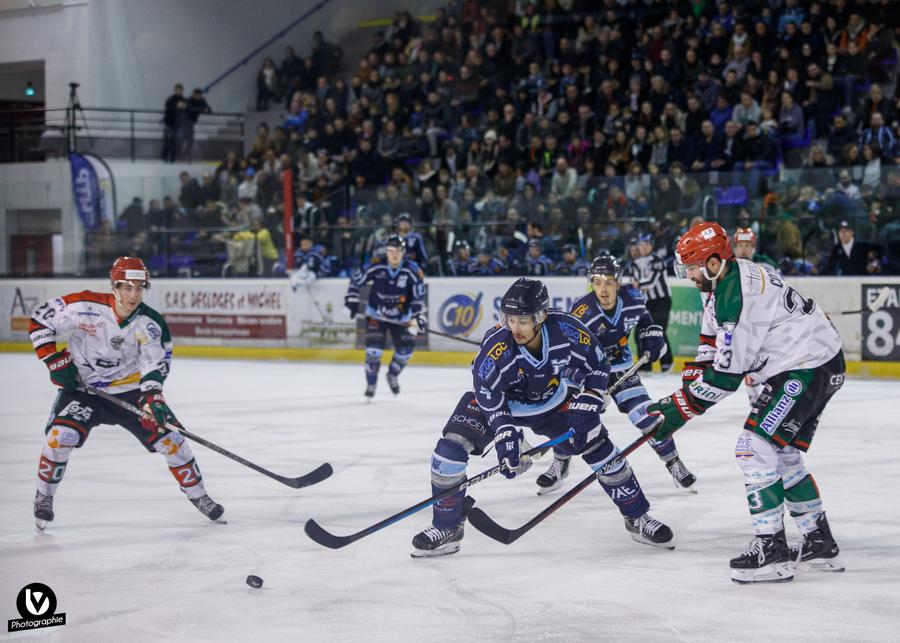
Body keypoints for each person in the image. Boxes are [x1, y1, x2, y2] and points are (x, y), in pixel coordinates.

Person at [411, 278, 675, 557]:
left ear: (541, 316)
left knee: (599, 445)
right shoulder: (497, 345)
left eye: (523, 321)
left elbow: (598, 363)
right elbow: (485, 390)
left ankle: (637, 517)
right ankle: (447, 528)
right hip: (500, 405)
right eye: (510, 319)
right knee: (448, 452)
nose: (515, 328)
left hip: (551, 402)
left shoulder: (565, 330)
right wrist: (504, 430)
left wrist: (590, 396)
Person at [647, 222, 845, 584]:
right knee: (782, 454)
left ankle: (771, 551)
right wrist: (686, 389)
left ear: (712, 263)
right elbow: (711, 342)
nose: (688, 275)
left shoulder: (736, 297)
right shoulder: (723, 280)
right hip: (816, 362)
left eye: (691, 268)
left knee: (753, 448)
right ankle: (818, 541)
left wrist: (675, 410)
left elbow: (726, 377)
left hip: (805, 366)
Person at [28, 257, 225, 530]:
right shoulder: (85, 306)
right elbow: (40, 320)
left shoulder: (150, 323)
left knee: (173, 441)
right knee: (60, 437)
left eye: (139, 288)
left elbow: (155, 365)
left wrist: (152, 398)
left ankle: (199, 495)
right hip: (84, 390)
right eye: (128, 287)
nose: (134, 295)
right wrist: (53, 360)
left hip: (131, 394)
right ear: (115, 286)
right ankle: (44, 496)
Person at [536, 255, 697, 495]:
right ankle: (560, 465)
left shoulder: (634, 298)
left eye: (609, 282)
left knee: (648, 417)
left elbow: (647, 323)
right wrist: (584, 384)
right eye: (598, 282)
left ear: (618, 283)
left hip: (622, 367)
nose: (603, 288)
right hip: (589, 371)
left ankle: (674, 463)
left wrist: (652, 337)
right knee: (570, 419)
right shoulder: (582, 311)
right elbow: (568, 355)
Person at [344, 235, 426, 398]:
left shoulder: (412, 269)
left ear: (403, 252)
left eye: (398, 250)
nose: (394, 253)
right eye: (390, 250)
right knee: (373, 351)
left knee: (405, 351)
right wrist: (351, 298)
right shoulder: (377, 265)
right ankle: (371, 383)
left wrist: (417, 316)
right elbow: (356, 279)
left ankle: (392, 375)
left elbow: (418, 295)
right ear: (386, 251)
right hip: (376, 316)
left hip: (401, 319)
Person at [627, 234, 673, 372]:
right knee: (640, 333)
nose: (643, 247)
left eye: (646, 244)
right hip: (645, 302)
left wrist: (637, 285)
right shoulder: (634, 264)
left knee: (658, 330)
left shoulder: (657, 261)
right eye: (641, 244)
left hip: (661, 300)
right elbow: (633, 284)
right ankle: (645, 365)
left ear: (651, 246)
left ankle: (667, 362)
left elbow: (651, 283)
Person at [161, 83, 186, 163]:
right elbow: (168, 109)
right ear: (175, 90)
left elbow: (187, 110)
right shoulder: (170, 99)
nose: (178, 92)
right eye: (177, 90)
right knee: (168, 141)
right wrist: (177, 107)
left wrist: (184, 108)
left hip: (178, 124)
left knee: (176, 142)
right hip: (169, 123)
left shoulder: (184, 100)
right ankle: (165, 157)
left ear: (182, 91)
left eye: (180, 91)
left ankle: (173, 158)